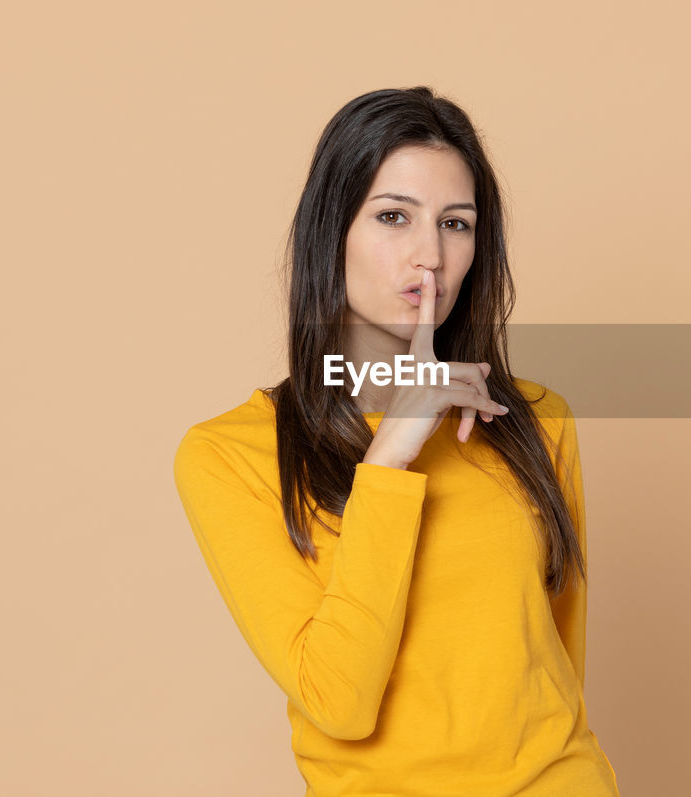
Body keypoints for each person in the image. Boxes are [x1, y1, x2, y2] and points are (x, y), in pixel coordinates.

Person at [172, 86, 621, 796]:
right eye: (392, 217)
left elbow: (559, 672)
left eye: (457, 223)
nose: (431, 255)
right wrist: (388, 459)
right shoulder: (231, 455)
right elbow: (339, 702)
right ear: (332, 234)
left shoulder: (536, 420)